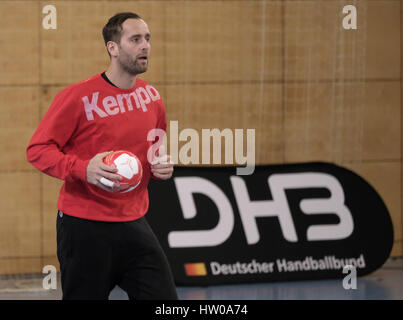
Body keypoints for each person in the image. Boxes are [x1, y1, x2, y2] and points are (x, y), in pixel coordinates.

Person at [26, 12, 178, 300]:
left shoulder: (152, 97)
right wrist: (84, 169)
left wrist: (161, 164)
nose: (145, 46)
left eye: (147, 39)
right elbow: (37, 150)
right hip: (84, 227)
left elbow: (154, 149)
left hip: (134, 223)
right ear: (113, 48)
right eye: (135, 39)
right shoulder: (78, 97)